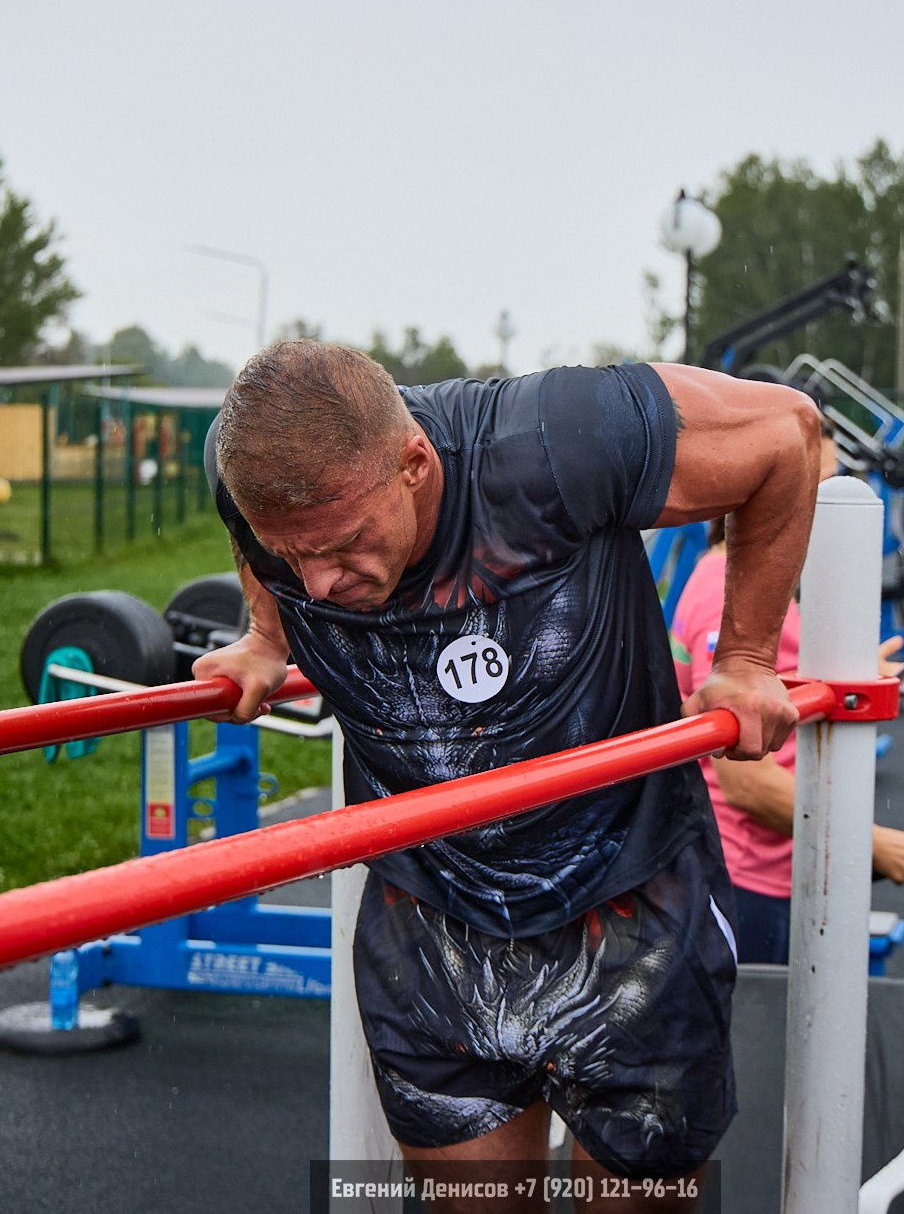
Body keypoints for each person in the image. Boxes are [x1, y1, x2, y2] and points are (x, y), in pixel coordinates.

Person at [194, 341, 823, 1210]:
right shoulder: (245, 476)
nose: (321, 583)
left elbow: (787, 432)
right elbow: (271, 549)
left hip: (627, 907)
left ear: (414, 463)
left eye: (343, 545)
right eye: (290, 557)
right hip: (431, 921)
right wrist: (268, 634)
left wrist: (748, 655)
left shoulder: (554, 439)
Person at [669, 518, 904, 964]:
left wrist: (852, 677)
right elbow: (746, 783)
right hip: (748, 874)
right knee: (763, 1027)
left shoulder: (737, 580)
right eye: (813, 485)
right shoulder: (729, 597)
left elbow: (769, 690)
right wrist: (869, 843)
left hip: (768, 864)